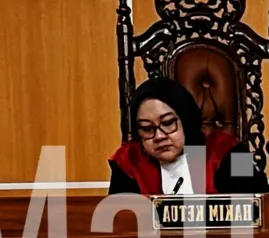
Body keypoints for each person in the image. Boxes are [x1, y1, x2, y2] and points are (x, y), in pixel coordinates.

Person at [106, 75, 258, 195]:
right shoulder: (128, 161)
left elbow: (259, 209)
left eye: (167, 123)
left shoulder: (233, 152)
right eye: (147, 128)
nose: (159, 136)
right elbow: (122, 223)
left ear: (186, 120)